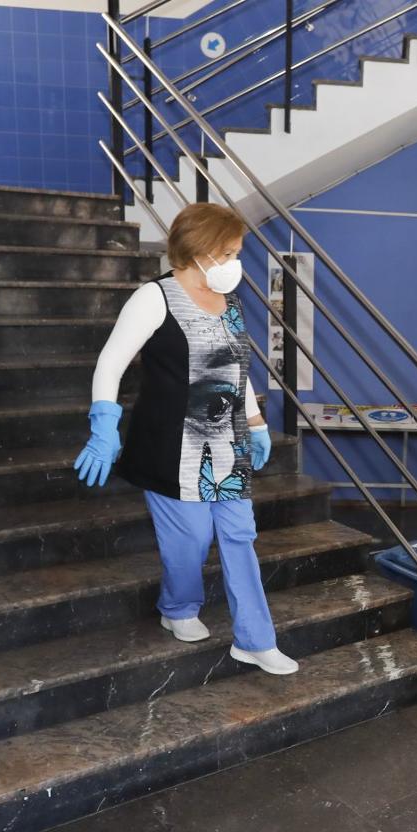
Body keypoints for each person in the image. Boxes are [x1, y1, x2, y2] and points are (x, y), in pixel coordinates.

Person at [73, 203, 298, 676]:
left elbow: (236, 373)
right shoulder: (154, 298)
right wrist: (103, 424)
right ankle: (177, 607)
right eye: (228, 252)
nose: (234, 262)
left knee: (240, 536)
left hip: (227, 445)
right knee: (191, 539)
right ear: (198, 252)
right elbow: (110, 363)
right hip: (171, 447)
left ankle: (255, 640)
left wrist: (255, 425)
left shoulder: (231, 307)